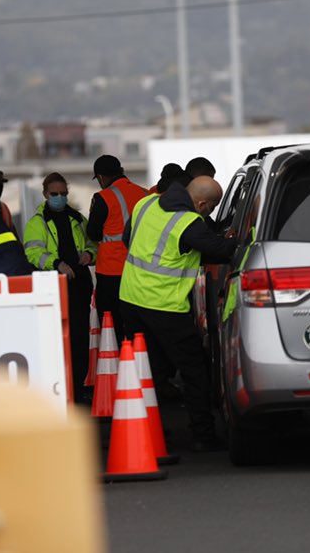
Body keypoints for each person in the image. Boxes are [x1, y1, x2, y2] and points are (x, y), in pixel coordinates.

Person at [119, 176, 237, 452]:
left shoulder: (145, 204)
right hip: (164, 305)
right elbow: (221, 251)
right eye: (210, 209)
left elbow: (128, 238)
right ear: (202, 203)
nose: (207, 214)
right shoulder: (188, 223)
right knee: (194, 370)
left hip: (130, 298)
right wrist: (245, 239)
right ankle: (203, 436)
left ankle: (145, 432)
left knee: (147, 370)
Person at [23, 173, 96, 402]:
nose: (59, 198)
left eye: (63, 194)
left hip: (80, 285)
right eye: (54, 194)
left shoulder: (77, 218)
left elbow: (93, 243)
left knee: (80, 338)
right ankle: (59, 388)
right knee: (56, 340)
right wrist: (57, 264)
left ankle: (77, 387)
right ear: (45, 194)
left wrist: (89, 254)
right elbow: (33, 253)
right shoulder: (37, 223)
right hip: (53, 287)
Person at [86, 154, 148, 342]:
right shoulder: (146, 194)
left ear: (101, 177)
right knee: (139, 325)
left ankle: (118, 363)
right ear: (121, 171)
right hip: (142, 270)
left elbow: (94, 234)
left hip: (112, 272)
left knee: (112, 326)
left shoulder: (103, 197)